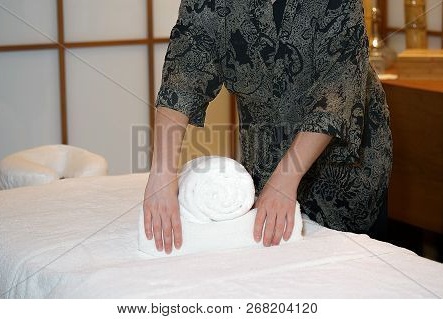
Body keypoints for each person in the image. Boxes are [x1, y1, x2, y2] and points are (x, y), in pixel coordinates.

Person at [143, 0, 393, 254]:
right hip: (265, 156)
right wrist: (162, 173)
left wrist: (285, 179)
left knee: (344, 271)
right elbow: (184, 72)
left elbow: (336, 90)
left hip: (344, 165)